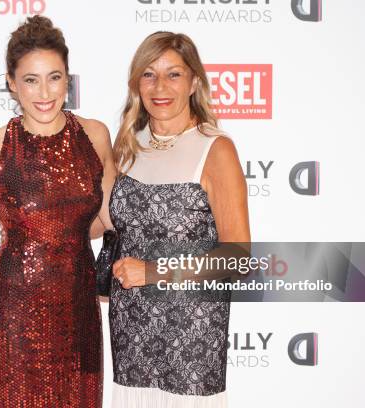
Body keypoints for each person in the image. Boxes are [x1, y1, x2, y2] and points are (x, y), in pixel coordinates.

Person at [0, 15, 116, 407]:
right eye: (30, 79)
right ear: (11, 83)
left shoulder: (94, 136)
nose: (44, 91)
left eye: (55, 77)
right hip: (16, 311)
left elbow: (108, 219)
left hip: (79, 305)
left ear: (68, 79)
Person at [108, 31, 251, 407]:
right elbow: (113, 236)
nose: (160, 86)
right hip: (131, 336)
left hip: (191, 342)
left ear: (194, 82)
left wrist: (153, 272)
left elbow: (236, 257)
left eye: (173, 74)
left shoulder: (215, 149)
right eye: (149, 74)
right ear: (136, 84)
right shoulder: (127, 147)